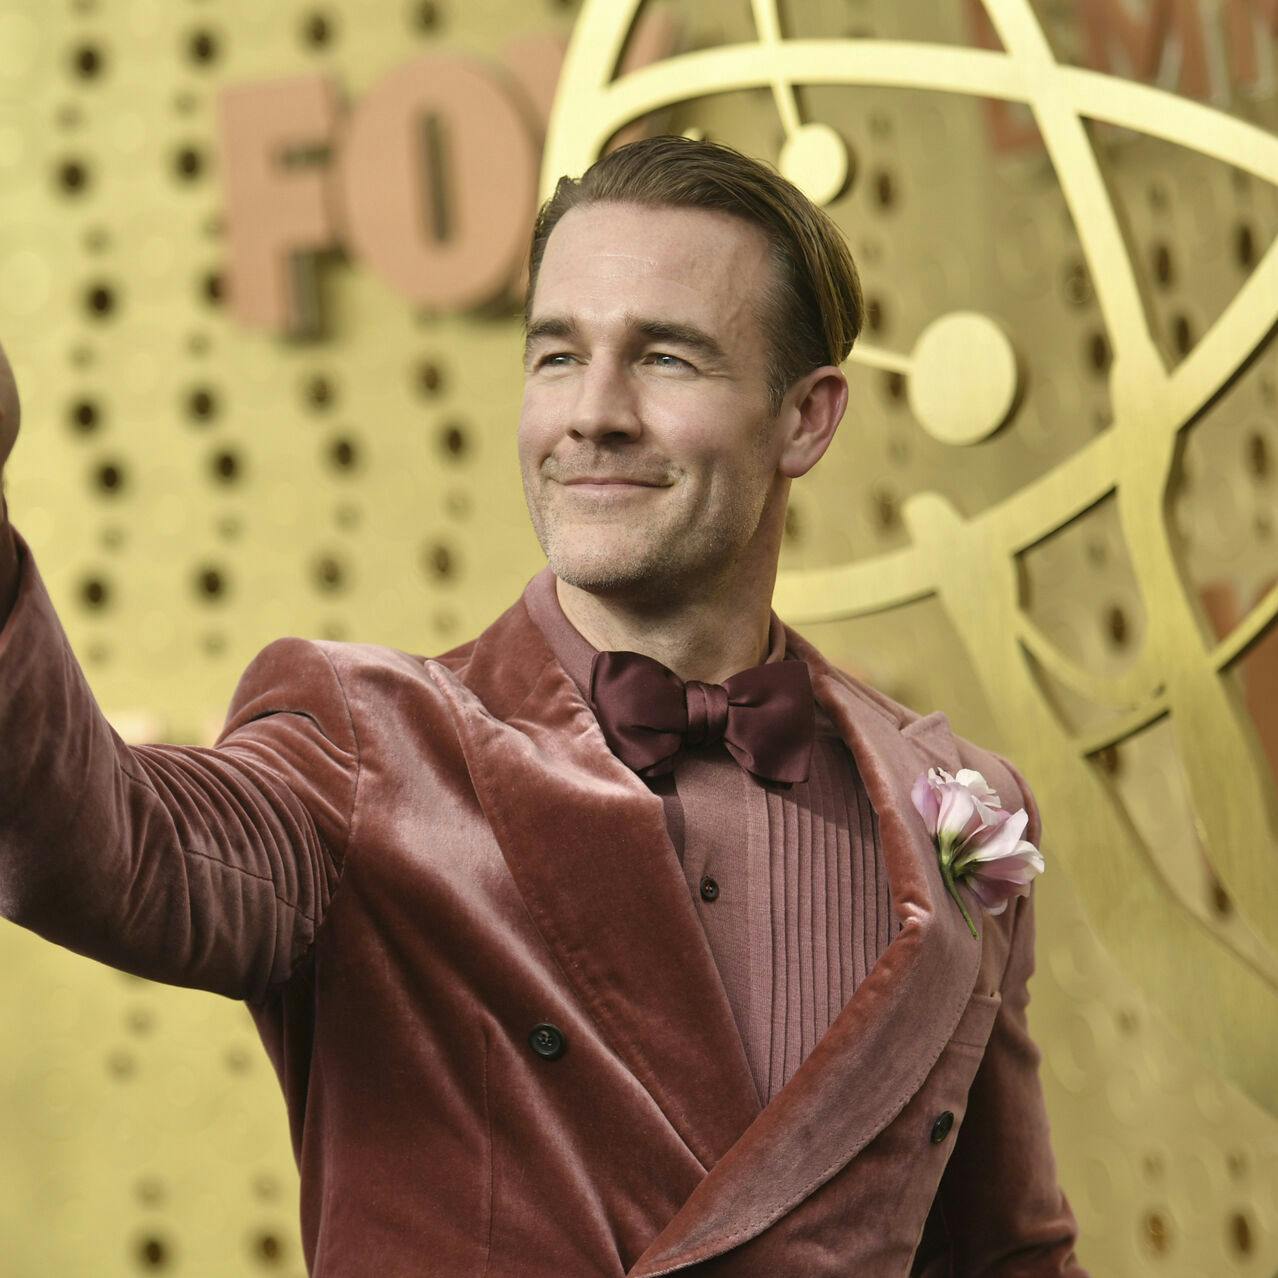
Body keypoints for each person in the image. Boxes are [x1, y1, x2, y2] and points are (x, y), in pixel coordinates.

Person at [0, 135, 1087, 1276]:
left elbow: (1009, 1256)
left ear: (806, 420)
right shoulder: (368, 745)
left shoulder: (957, 811)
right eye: (558, 356)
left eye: (667, 359)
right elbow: (106, 852)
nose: (594, 414)